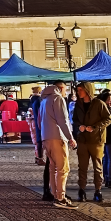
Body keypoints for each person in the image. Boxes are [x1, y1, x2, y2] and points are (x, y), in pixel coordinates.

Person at [38, 81, 78, 209]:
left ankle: (55, 194)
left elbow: (39, 121)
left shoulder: (44, 100)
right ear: (60, 88)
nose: (65, 92)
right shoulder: (58, 99)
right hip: (57, 137)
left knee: (53, 168)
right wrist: (70, 137)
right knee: (63, 168)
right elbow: (63, 120)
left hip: (46, 138)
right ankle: (60, 198)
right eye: (65, 89)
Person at [72, 82, 111, 203]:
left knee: (97, 167)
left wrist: (95, 127)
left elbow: (108, 119)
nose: (78, 92)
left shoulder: (98, 103)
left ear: (87, 90)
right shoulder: (78, 105)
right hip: (82, 140)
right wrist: (79, 126)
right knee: (82, 167)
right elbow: (74, 120)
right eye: (77, 90)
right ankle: (82, 190)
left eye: (80, 90)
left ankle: (98, 190)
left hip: (96, 140)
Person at [28, 86, 44, 166]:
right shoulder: (39, 100)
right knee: (39, 140)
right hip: (38, 122)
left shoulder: (31, 99)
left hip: (33, 121)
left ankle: (37, 156)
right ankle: (39, 157)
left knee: (36, 139)